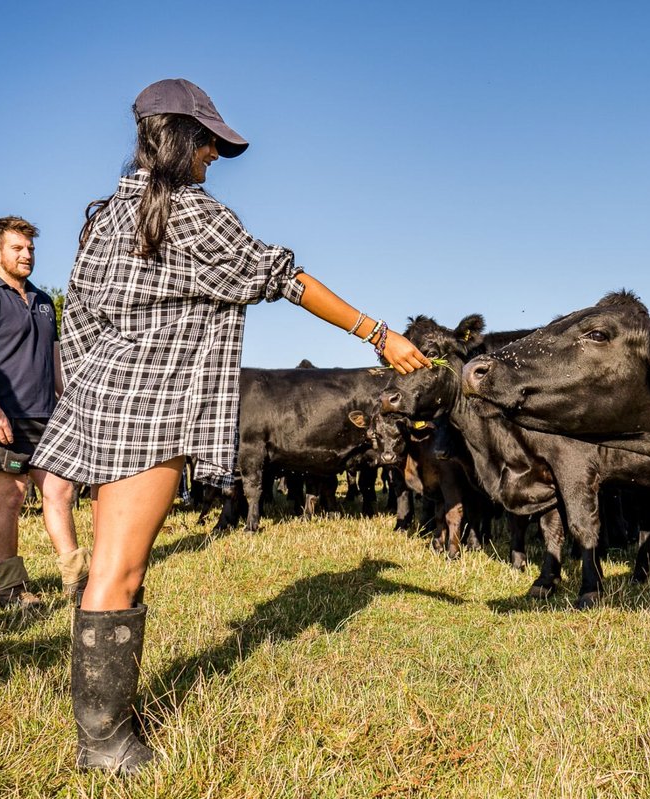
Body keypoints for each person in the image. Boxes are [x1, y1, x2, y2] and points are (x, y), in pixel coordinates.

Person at [29, 78, 432, 775]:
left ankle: (110, 725)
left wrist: (91, 394)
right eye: (211, 142)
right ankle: (103, 743)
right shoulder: (191, 215)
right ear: (185, 139)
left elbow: (81, 318)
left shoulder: (102, 216)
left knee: (113, 565)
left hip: (103, 396)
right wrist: (379, 333)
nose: (215, 155)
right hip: (150, 407)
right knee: (119, 572)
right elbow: (287, 277)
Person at [0, 217, 87, 611]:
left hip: (47, 415)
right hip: (3, 417)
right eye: (17, 248)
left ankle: (78, 581)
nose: (27, 254)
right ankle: (11, 591)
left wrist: (70, 402)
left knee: (59, 491)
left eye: (30, 247)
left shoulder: (44, 301)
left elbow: (53, 357)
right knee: (10, 496)